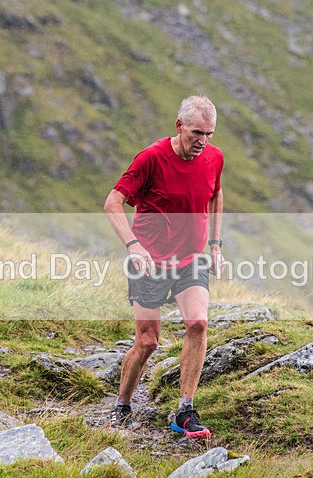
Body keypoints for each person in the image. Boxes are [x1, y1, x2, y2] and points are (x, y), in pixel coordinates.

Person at [103, 95, 224, 439]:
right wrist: (133, 246)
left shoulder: (214, 157)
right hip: (150, 262)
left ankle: (184, 412)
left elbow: (215, 193)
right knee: (148, 342)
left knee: (198, 324)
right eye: (197, 132)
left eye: (210, 134)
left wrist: (215, 245)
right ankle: (123, 406)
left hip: (191, 260)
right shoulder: (151, 158)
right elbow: (113, 202)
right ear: (179, 126)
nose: (203, 141)